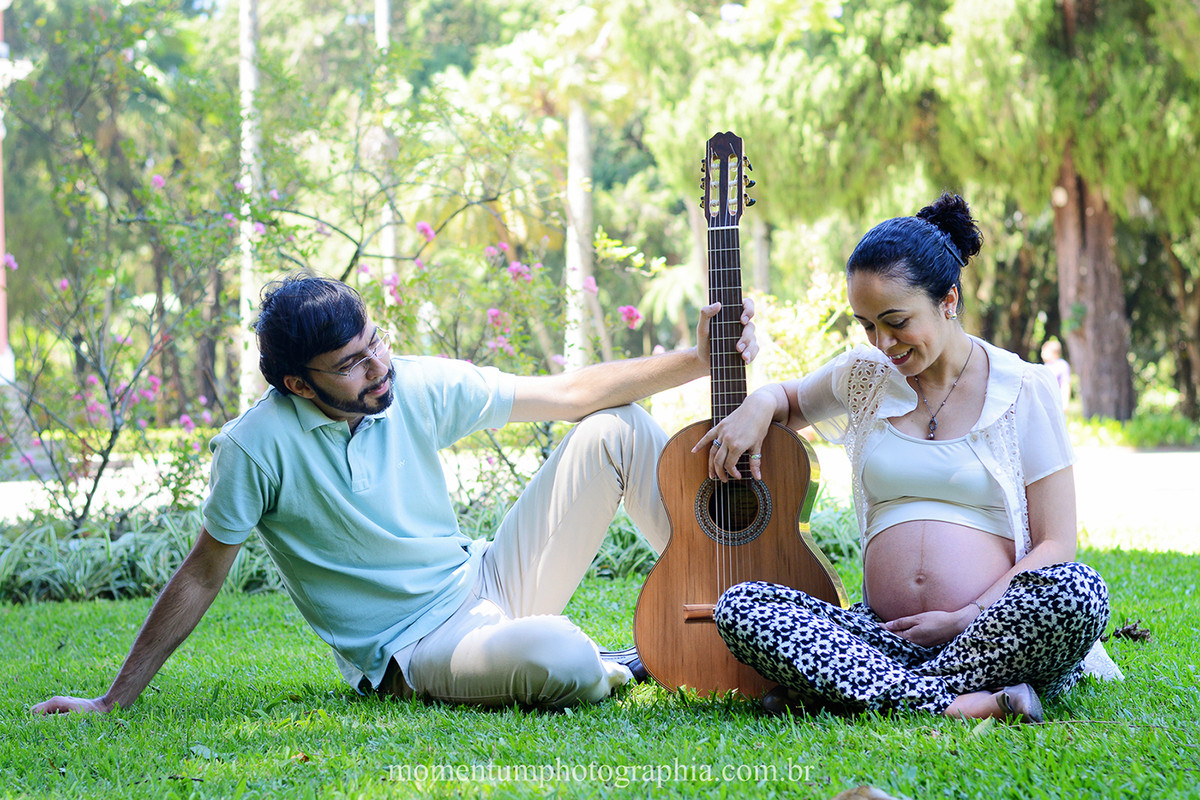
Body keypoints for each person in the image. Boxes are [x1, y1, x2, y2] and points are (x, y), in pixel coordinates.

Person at [32, 272, 757, 714]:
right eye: (350, 364)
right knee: (564, 659)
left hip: (486, 580)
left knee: (617, 430)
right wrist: (110, 700)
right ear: (296, 383)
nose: (377, 366)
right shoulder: (253, 448)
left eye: (375, 341)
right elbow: (200, 575)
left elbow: (568, 394)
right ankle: (615, 662)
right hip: (417, 648)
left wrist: (697, 359)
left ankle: (744, 608)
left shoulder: (407, 382)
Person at [696, 193, 1111, 723]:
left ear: (948, 300)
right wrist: (759, 403)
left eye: (896, 321)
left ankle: (858, 687)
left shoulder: (1024, 387)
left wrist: (965, 617)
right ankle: (962, 702)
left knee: (1079, 593)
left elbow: (1057, 542)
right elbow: (789, 399)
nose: (883, 342)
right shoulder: (864, 376)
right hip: (880, 633)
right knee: (741, 607)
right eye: (867, 324)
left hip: (987, 632)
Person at [1041, 338, 1071, 408]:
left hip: (1057, 401)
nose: (1042, 354)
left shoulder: (1062, 365)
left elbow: (1065, 384)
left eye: (1044, 351)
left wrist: (1065, 403)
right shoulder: (1045, 367)